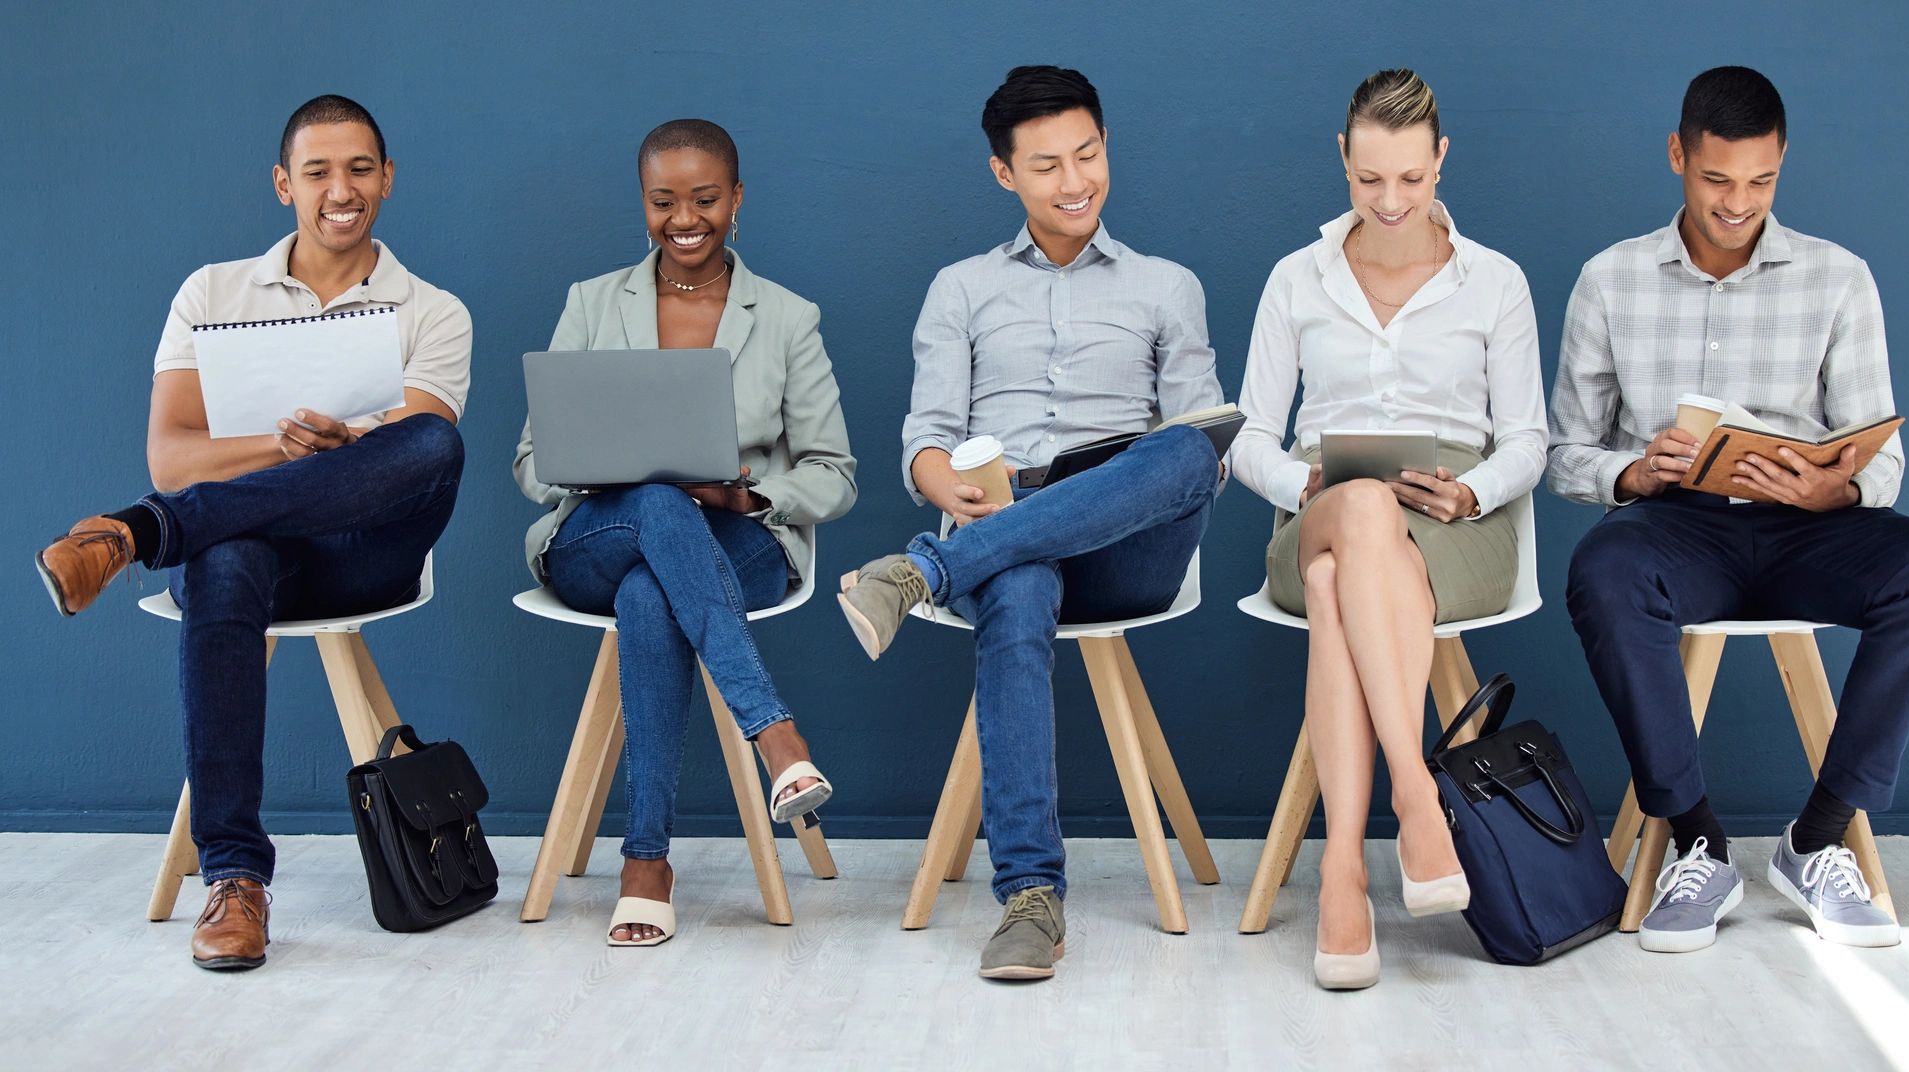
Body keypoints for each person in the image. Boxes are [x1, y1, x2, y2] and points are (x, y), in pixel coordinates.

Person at [33, 95, 471, 971]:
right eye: (317, 172)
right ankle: (234, 879)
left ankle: (136, 538)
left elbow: (412, 449)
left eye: (358, 169)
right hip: (249, 554)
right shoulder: (212, 292)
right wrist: (278, 444)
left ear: (386, 180)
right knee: (229, 557)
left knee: (430, 442)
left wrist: (343, 450)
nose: (339, 190)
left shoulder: (434, 310)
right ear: (283, 185)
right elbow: (170, 454)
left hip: (365, 555)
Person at [1550, 66, 1909, 953]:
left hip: (1806, 527)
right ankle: (1696, 842)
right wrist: (1636, 473)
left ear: (1781, 164)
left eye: (1760, 180)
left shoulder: (1838, 278)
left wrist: (1841, 486)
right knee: (1602, 569)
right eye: (1716, 180)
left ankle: (1817, 837)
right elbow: (1563, 453)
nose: (1738, 203)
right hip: (1675, 526)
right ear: (1678, 156)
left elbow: (1881, 450)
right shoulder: (1609, 279)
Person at [836, 66, 1224, 981]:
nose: (1075, 181)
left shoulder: (1167, 286)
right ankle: (1030, 901)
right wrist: (947, 482)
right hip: (1004, 524)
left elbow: (1203, 437)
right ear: (1004, 175)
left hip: (1133, 545)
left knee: (1186, 452)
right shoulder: (960, 289)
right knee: (1013, 578)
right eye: (1047, 165)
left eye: (1088, 155)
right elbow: (926, 440)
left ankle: (922, 570)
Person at [1232, 69, 1547, 989]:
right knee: (1358, 510)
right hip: (1321, 510)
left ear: (1441, 158)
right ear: (1344, 159)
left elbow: (1527, 437)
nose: (1392, 200)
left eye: (1412, 177)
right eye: (1371, 179)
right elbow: (1248, 434)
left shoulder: (1496, 283)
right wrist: (1310, 480)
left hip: (1456, 526)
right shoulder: (1297, 278)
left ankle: (1340, 876)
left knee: (1341, 583)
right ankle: (1416, 796)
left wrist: (1475, 492)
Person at [513, 119, 856, 948]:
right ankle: (777, 736)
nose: (684, 218)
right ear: (644, 204)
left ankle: (646, 862)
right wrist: (592, 471)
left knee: (650, 591)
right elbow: (529, 463)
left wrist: (748, 498)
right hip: (600, 531)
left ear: (736, 200)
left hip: (738, 540)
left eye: (704, 199)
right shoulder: (592, 303)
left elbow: (834, 474)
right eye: (663, 201)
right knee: (659, 506)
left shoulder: (785, 317)